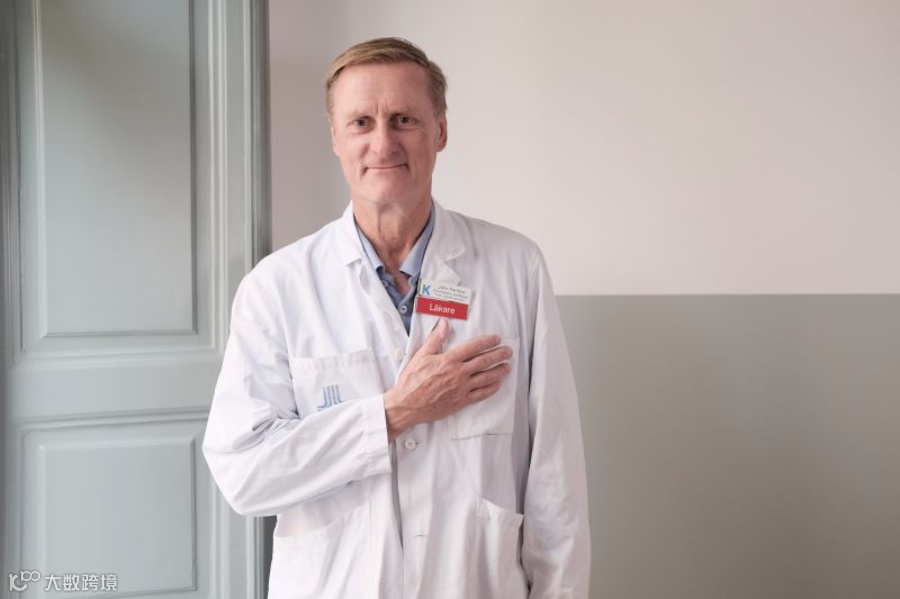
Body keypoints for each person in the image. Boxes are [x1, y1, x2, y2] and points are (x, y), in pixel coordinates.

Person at [203, 37, 590, 598]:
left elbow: (555, 476)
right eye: (361, 122)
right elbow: (245, 474)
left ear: (441, 130)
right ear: (335, 137)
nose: (383, 142)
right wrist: (393, 413)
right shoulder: (278, 287)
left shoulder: (515, 266)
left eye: (404, 119)